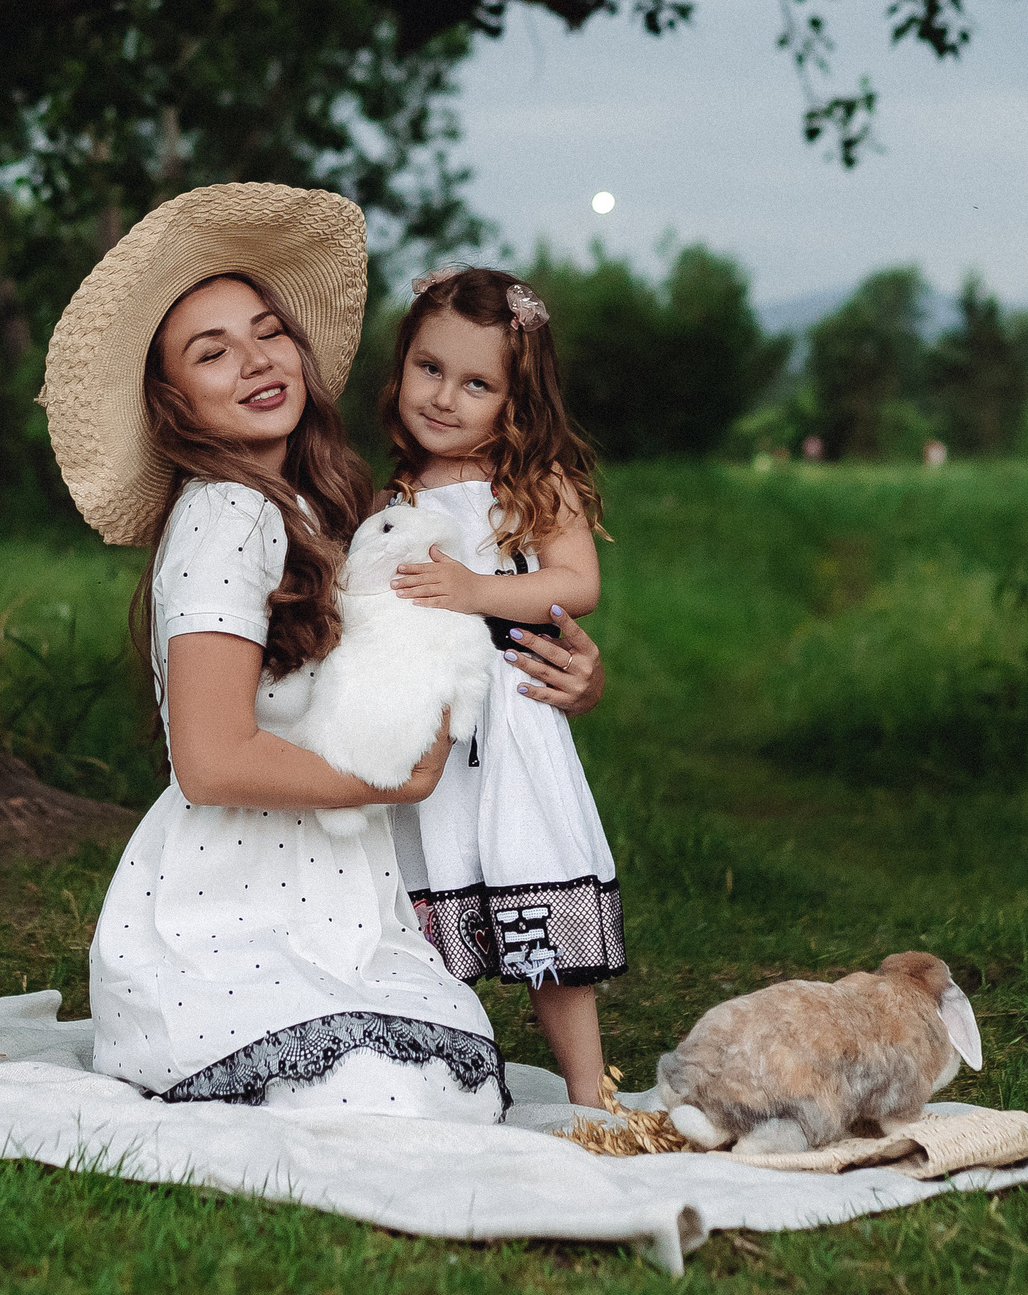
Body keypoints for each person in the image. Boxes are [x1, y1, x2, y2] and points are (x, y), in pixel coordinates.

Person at [37, 184, 609, 1122]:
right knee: (388, 1101)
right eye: (211, 352)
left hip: (334, 885)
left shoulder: (316, 506)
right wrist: (395, 779)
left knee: (453, 1089)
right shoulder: (225, 516)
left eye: (268, 332)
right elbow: (213, 760)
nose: (257, 361)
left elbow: (440, 628)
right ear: (169, 398)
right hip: (233, 898)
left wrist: (564, 678)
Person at [377, 266, 625, 1108]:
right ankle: (455, 1070)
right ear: (401, 364)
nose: (445, 397)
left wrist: (479, 591)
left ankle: (589, 1086)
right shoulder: (393, 491)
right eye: (429, 369)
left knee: (531, 882)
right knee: (439, 892)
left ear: (515, 399)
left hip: (513, 725)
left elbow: (576, 583)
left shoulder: (533, 481)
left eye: (477, 383)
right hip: (428, 731)